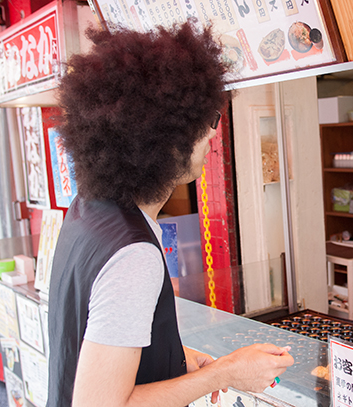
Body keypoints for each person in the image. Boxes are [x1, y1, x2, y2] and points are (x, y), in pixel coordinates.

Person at [47, 23, 293, 407]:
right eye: (206, 121)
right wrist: (225, 372)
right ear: (163, 138)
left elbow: (97, 349)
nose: (213, 134)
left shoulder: (87, 211)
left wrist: (172, 360)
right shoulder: (133, 255)